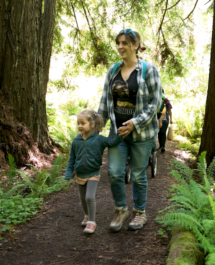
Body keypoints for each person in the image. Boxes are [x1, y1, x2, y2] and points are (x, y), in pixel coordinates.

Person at [98, 29, 162, 232]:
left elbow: (155, 103)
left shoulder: (148, 70)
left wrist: (136, 122)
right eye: (118, 43)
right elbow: (105, 101)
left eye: (125, 42)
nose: (120, 47)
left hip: (141, 133)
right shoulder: (113, 71)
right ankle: (120, 209)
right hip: (118, 133)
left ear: (136, 45)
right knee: (115, 172)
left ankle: (140, 213)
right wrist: (97, 125)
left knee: (137, 174)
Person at [65, 109, 122, 234]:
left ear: (92, 124)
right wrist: (69, 172)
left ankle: (92, 222)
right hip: (80, 174)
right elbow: (71, 158)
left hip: (93, 173)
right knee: (83, 199)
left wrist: (121, 134)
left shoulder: (99, 139)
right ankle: (86, 216)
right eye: (78, 123)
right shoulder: (76, 141)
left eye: (83, 123)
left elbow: (112, 142)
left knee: (89, 197)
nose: (79, 126)